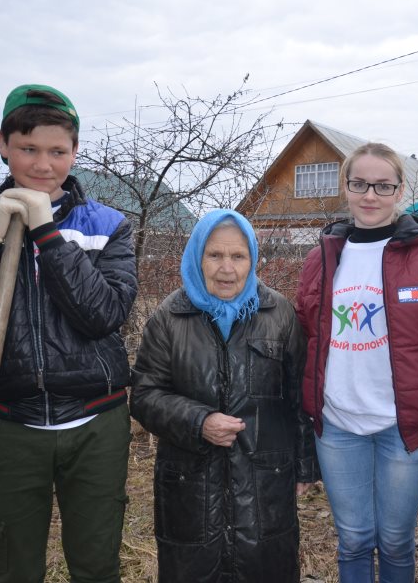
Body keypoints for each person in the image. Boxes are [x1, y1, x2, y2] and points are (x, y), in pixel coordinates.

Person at [0, 84, 137, 582]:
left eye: (57, 151)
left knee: (95, 563)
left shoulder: (107, 225)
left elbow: (103, 314)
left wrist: (47, 233)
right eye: (28, 149)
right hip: (6, 423)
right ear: (3, 144)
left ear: (74, 152)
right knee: (14, 567)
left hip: (94, 423)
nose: (43, 164)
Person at [296, 142, 418, 582]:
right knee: (354, 538)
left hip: (406, 427)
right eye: (359, 184)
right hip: (338, 426)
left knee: (395, 540)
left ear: (399, 191)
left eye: (382, 185)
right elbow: (306, 339)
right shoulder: (322, 258)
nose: (370, 195)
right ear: (346, 187)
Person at [130, 209, 318, 582]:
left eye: (238, 256)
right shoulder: (169, 317)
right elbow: (145, 396)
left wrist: (304, 464)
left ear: (252, 259)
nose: (226, 268)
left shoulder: (279, 313)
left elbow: (300, 395)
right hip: (191, 484)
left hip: (264, 481)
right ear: (197, 256)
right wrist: (198, 421)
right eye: (215, 255)